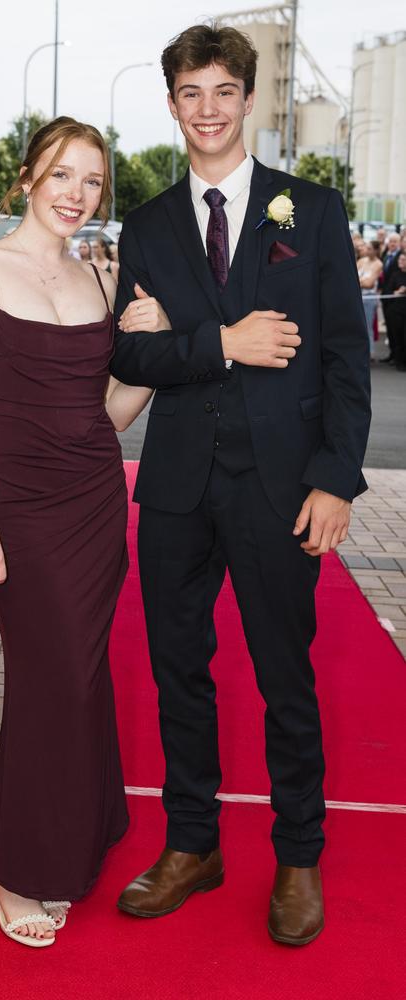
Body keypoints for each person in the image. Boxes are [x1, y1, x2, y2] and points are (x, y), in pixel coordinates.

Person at [110, 22, 371, 947]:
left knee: (283, 675)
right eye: (192, 93)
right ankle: (193, 844)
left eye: (224, 91)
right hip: (176, 486)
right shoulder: (144, 227)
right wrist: (216, 343)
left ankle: (298, 853)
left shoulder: (313, 211)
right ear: (172, 103)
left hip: (280, 485)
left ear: (248, 100)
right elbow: (131, 351)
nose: (209, 109)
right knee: (179, 672)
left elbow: (344, 358)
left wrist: (337, 479)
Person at [0, 116, 155, 948]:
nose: (76, 195)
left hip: (95, 503)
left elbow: (103, 416)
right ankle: (15, 870)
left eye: (92, 181)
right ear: (27, 177)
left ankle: (75, 835)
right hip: (15, 507)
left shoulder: (97, 278)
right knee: (52, 678)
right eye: (63, 175)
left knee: (82, 676)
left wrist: (155, 360)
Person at [357, 240, 383, 359]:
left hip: (369, 299)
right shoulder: (361, 261)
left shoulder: (378, 264)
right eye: (366, 248)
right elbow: (353, 277)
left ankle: (369, 352)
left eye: (370, 249)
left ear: (376, 250)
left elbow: (369, 283)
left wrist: (360, 281)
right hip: (358, 296)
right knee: (356, 325)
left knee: (367, 326)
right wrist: (361, 281)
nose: (367, 250)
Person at [384, 251, 406, 371]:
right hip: (396, 311)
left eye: (403, 260)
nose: (400, 262)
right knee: (397, 337)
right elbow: (386, 291)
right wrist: (396, 292)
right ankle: (399, 362)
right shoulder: (395, 275)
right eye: (399, 260)